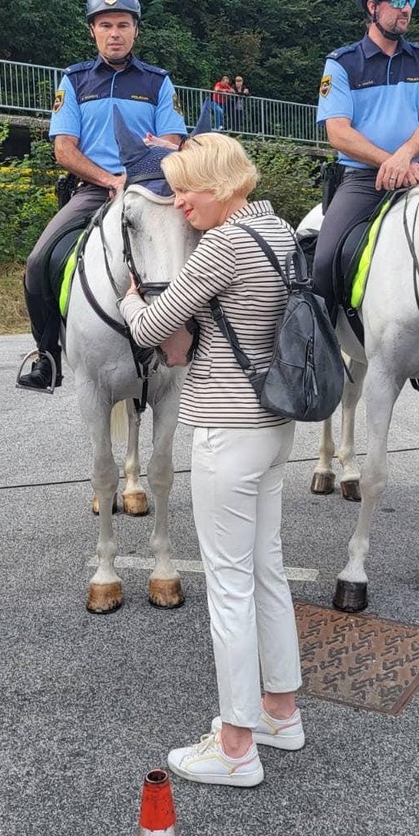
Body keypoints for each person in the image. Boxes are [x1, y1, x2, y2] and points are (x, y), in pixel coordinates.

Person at [118, 133, 304, 788]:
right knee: (267, 572)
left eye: (185, 189)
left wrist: (131, 298)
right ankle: (281, 711)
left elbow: (149, 329)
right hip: (274, 423)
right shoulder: (277, 230)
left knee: (229, 589)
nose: (179, 202)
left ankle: (234, 747)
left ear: (220, 186)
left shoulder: (223, 245)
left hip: (228, 427)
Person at [17, 0, 187, 391]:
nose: (115, 33)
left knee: (193, 251)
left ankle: (203, 344)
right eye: (106, 25)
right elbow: (64, 148)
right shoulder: (74, 81)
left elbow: (174, 141)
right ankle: (47, 356)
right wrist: (109, 179)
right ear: (93, 31)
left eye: (123, 25)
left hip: (150, 192)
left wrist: (144, 169)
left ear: (135, 31)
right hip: (95, 190)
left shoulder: (157, 82)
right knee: (39, 262)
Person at [313, 0, 419, 320]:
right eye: (397, 1)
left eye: (411, 1)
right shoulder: (341, 64)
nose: (407, 10)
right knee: (323, 263)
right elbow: (338, 133)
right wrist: (391, 162)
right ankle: (314, 350)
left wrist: (405, 158)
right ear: (372, 7)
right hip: (362, 180)